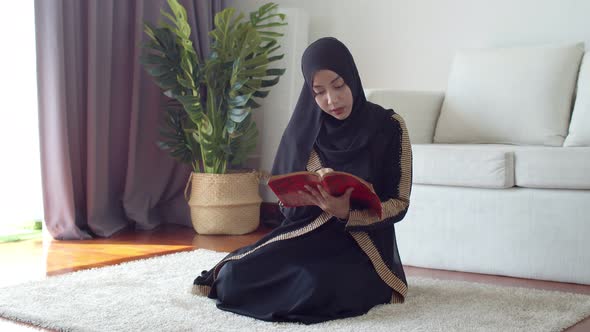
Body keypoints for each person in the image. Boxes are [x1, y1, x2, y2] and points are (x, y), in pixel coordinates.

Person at [192, 37, 412, 325]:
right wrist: (299, 199)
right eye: (319, 92)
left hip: (362, 246)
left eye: (338, 85)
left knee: (314, 284)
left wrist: (348, 213)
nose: (331, 100)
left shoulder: (390, 127)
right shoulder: (305, 133)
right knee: (234, 276)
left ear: (353, 78)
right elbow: (288, 212)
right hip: (308, 235)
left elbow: (400, 203)